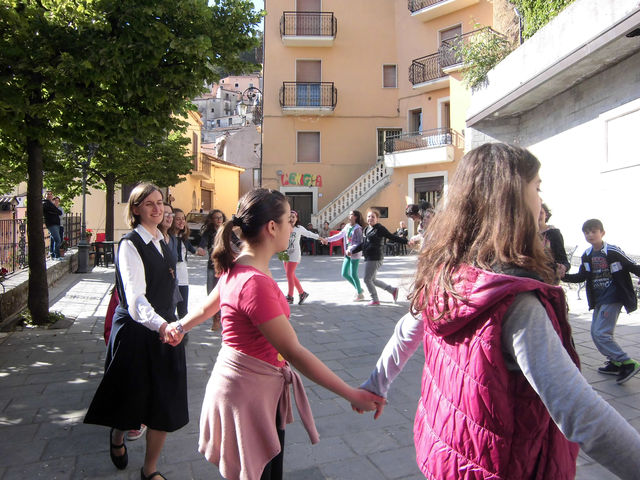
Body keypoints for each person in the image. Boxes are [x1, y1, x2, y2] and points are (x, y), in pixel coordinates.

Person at [358, 143, 640, 480]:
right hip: (501, 466)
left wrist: (377, 384)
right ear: (511, 201)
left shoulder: (444, 275)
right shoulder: (516, 303)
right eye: (536, 187)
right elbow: (578, 410)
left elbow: (406, 331)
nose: (541, 203)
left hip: (445, 454)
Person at [164, 188, 382, 480]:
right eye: (289, 221)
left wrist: (180, 327)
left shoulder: (239, 266)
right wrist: (351, 393)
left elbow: (207, 306)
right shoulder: (255, 282)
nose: (292, 226)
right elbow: (295, 352)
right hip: (248, 396)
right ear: (271, 227)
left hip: (246, 391)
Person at [84, 183, 188, 480]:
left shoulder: (161, 240)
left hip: (165, 328)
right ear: (135, 209)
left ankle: (150, 469)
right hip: (137, 330)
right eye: (149, 204)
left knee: (164, 402)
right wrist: (162, 325)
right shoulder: (130, 244)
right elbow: (135, 299)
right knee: (131, 398)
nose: (157, 209)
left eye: (160, 203)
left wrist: (175, 321)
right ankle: (117, 437)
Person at [563, 218, 640, 384]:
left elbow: (632, 266)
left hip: (613, 297)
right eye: (587, 232)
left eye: (594, 231)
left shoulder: (612, 251)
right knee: (596, 333)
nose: (590, 235)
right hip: (599, 300)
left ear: (602, 233)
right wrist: (562, 276)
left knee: (601, 333)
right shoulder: (587, 255)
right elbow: (581, 276)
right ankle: (615, 362)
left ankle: (627, 363)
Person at [350, 208, 407, 306]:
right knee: (373, 280)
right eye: (369, 216)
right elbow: (363, 244)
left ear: (377, 219)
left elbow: (392, 237)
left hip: (375, 257)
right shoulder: (366, 229)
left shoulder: (380, 228)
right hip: (369, 257)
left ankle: (375, 299)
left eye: (373, 217)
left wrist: (406, 241)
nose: (370, 218)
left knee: (367, 279)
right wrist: (353, 251)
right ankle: (393, 290)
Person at [283, 210, 324, 305]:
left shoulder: (299, 228)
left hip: (294, 254)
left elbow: (310, 234)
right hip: (284, 253)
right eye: (290, 217)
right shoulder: (284, 227)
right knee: (290, 275)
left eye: (294, 217)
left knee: (289, 274)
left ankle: (290, 296)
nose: (292, 218)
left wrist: (320, 238)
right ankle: (302, 293)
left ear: (297, 219)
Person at [325, 210, 365, 301]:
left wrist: (350, 249)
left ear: (355, 217)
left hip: (354, 253)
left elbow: (359, 243)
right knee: (344, 273)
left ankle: (360, 294)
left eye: (351, 214)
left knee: (354, 274)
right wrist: (327, 239)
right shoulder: (347, 226)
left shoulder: (358, 228)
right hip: (347, 253)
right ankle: (359, 289)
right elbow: (339, 235)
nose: (349, 216)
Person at [197, 209, 227, 330]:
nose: (219, 219)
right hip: (212, 266)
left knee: (224, 293)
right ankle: (215, 317)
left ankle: (220, 319)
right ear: (212, 219)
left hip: (225, 266)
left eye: (221, 217)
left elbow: (236, 241)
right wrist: (200, 248)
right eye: (216, 217)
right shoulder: (208, 232)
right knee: (211, 294)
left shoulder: (226, 231)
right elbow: (203, 242)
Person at [170, 208, 197, 319]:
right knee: (170, 311)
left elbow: (192, 249)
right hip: (172, 278)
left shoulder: (183, 237)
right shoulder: (167, 238)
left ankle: (183, 335)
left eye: (183, 219)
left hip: (183, 278)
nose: (182, 222)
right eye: (178, 219)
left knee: (183, 311)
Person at [538, 202, 571, 280]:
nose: (538, 216)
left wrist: (563, 268)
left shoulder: (554, 233)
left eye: (541, 213)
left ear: (546, 215)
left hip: (547, 278)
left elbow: (563, 260)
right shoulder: (526, 233)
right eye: (535, 212)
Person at [43, 190, 63, 260]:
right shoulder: (45, 203)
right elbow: (55, 211)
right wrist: (55, 212)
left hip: (56, 224)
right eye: (48, 194)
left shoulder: (51, 203)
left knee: (54, 239)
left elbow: (60, 212)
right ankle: (56, 255)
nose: (49, 195)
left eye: (51, 194)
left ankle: (52, 254)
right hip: (51, 224)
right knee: (58, 240)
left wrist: (54, 211)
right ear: (45, 196)